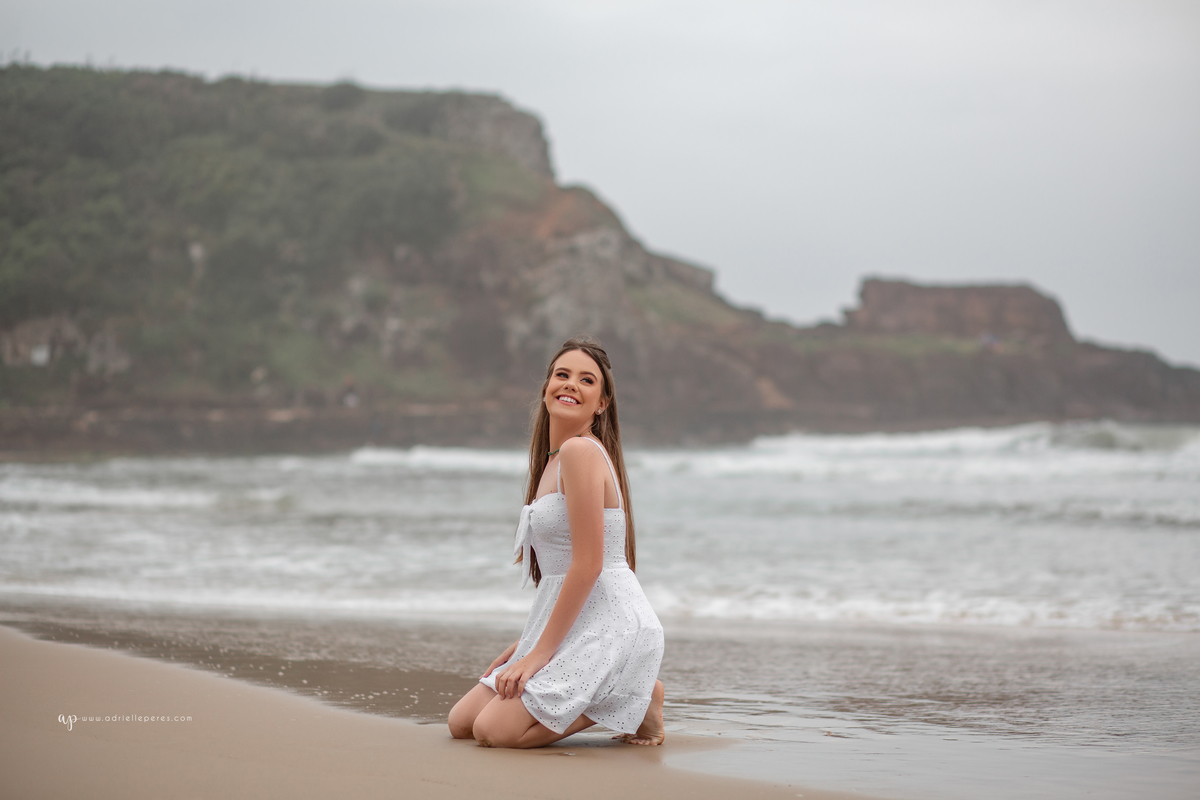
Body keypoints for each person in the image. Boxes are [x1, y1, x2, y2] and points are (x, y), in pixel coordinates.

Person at [447, 337, 665, 749]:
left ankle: (637, 698)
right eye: (562, 375)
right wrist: (524, 644)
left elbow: (588, 565)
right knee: (461, 723)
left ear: (602, 402)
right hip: (575, 621)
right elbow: (560, 574)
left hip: (611, 625)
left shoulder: (581, 451)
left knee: (494, 732)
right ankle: (628, 692)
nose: (570, 384)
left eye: (587, 380)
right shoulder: (552, 461)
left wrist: (536, 656)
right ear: (546, 386)